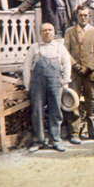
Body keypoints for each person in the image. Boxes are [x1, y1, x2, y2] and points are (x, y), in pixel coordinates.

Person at [22, 23, 71, 152]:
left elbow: (67, 64)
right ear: (40, 33)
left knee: (55, 111)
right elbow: (27, 67)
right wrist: (27, 85)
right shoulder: (35, 48)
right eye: (44, 30)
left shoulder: (60, 48)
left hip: (55, 83)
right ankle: (38, 140)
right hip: (37, 84)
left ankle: (55, 140)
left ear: (54, 33)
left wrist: (65, 82)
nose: (47, 32)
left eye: (50, 30)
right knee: (37, 111)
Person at [63, 5, 94, 144]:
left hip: (90, 72)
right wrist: (75, 65)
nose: (83, 18)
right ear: (77, 16)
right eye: (81, 15)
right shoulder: (70, 31)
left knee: (91, 101)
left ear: (89, 16)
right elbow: (65, 51)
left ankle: (93, 131)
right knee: (73, 101)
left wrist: (88, 68)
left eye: (86, 15)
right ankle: (75, 133)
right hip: (75, 73)